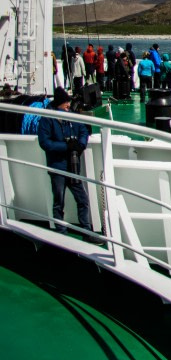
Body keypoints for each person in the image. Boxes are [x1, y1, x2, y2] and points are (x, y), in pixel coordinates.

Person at [37, 87, 102, 244]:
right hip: (57, 166)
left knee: (82, 198)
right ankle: (61, 232)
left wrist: (80, 145)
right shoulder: (47, 119)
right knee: (59, 200)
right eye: (66, 103)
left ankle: (86, 230)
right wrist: (66, 147)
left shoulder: (71, 116)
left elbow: (83, 131)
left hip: (73, 166)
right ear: (59, 104)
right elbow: (45, 143)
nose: (68, 105)